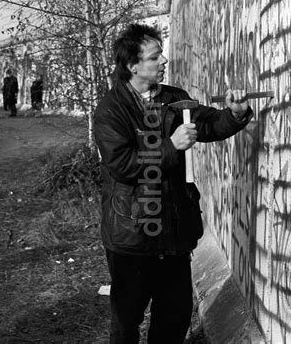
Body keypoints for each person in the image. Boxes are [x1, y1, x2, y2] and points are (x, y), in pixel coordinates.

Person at [93, 24, 253, 343]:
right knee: (126, 323)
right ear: (132, 66)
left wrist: (235, 114)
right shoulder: (111, 111)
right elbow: (122, 165)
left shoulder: (174, 98)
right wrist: (170, 146)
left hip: (174, 233)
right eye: (155, 56)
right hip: (133, 237)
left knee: (174, 316)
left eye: (161, 52)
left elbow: (208, 124)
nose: (164, 59)